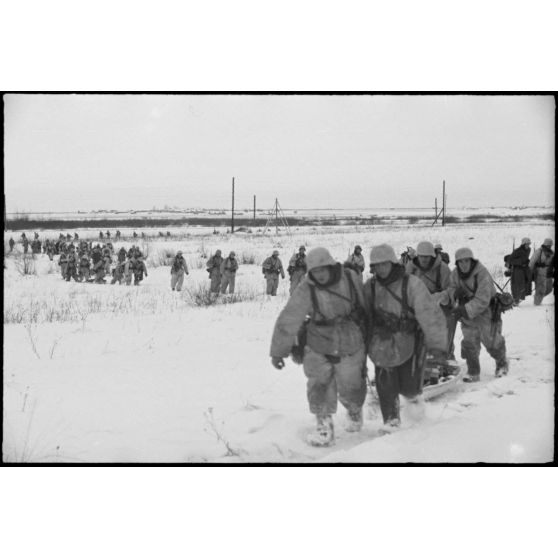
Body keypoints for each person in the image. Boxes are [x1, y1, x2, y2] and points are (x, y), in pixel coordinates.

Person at [270, 247, 368, 446]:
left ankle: (354, 409)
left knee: (351, 385)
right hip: (318, 341)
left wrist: (371, 336)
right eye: (315, 271)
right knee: (318, 384)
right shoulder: (307, 287)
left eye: (323, 269)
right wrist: (278, 351)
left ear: (331, 266)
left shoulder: (349, 278)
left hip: (349, 339)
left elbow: (366, 305)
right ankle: (323, 425)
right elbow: (290, 317)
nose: (320, 274)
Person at [364, 244, 447, 431]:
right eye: (377, 265)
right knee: (385, 383)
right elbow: (360, 314)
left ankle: (415, 400)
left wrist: (438, 346)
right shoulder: (369, 287)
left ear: (393, 263)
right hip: (381, 343)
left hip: (410, 340)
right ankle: (391, 420)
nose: (381, 268)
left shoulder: (411, 284)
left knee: (409, 386)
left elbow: (430, 314)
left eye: (384, 264)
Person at [449, 247, 508, 382]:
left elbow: (483, 299)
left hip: (487, 311)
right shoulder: (454, 274)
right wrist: (454, 294)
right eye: (460, 262)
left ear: (471, 261)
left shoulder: (482, 273)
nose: (464, 264)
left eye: (466, 261)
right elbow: (450, 289)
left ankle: (502, 363)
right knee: (469, 341)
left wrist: (463, 310)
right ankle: (473, 371)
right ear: (456, 263)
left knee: (491, 340)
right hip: (467, 312)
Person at [406, 241, 454, 360]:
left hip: (441, 307)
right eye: (422, 256)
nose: (424, 259)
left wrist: (441, 296)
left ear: (432, 256)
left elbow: (452, 289)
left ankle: (447, 359)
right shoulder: (411, 268)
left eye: (427, 257)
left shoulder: (442, 268)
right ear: (418, 256)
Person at [506, 237, 532, 305]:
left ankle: (519, 299)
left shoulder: (529, 250)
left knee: (525, 284)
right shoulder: (517, 251)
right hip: (517, 270)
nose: (528, 245)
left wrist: (527, 261)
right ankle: (515, 300)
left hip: (525, 270)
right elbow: (510, 260)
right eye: (527, 244)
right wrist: (520, 262)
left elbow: (525, 258)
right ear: (523, 244)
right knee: (516, 285)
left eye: (529, 244)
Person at [529, 238, 554, 305]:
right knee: (540, 289)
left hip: (549, 272)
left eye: (550, 245)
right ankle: (537, 304)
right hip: (539, 271)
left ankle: (538, 297)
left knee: (549, 289)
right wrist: (529, 272)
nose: (549, 246)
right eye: (548, 245)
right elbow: (532, 262)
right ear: (545, 244)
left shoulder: (552, 253)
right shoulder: (539, 251)